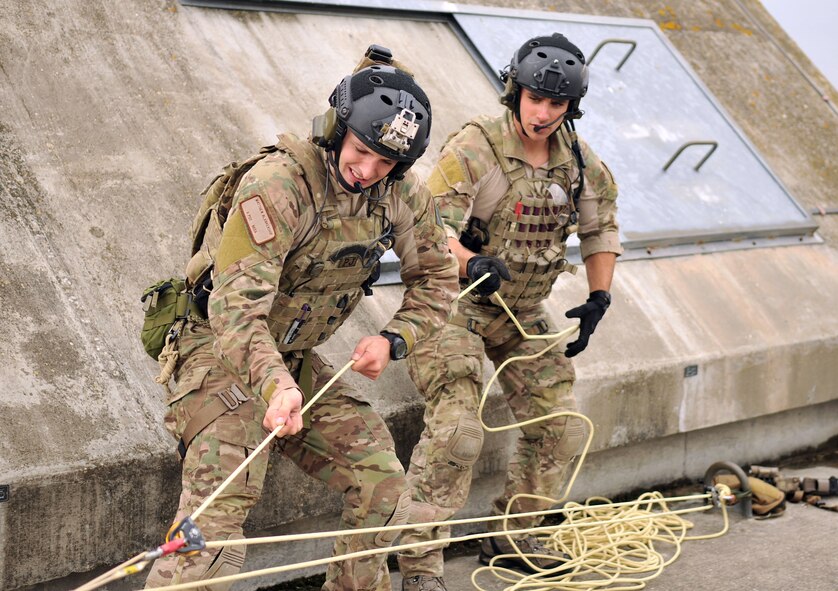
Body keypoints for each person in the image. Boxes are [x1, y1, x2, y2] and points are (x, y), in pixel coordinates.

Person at [144, 45, 459, 591]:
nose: (367, 172)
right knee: (217, 520)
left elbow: (437, 279)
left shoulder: (399, 195)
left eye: (386, 164)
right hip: (218, 351)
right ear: (337, 128)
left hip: (292, 361)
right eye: (361, 152)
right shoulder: (280, 183)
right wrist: (275, 385)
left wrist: (395, 339)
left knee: (381, 480)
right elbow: (236, 308)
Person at [396, 33, 622, 590]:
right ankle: (420, 567)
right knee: (457, 433)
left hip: (522, 310)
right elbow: (431, 227)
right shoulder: (477, 147)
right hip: (454, 307)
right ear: (514, 91)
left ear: (572, 106)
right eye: (535, 99)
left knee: (561, 424)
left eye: (557, 104)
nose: (543, 113)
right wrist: (470, 262)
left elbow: (601, 228)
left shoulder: (578, 161)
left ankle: (517, 533)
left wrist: (599, 297)